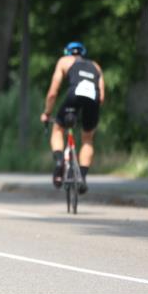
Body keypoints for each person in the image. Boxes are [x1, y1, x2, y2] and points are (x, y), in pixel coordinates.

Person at [40, 42, 105, 193]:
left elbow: (52, 93)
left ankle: (59, 161)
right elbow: (101, 97)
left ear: (68, 52)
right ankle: (81, 177)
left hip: (74, 95)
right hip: (93, 98)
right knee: (87, 139)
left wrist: (47, 113)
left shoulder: (64, 61)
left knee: (58, 129)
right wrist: (90, 112)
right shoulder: (96, 66)